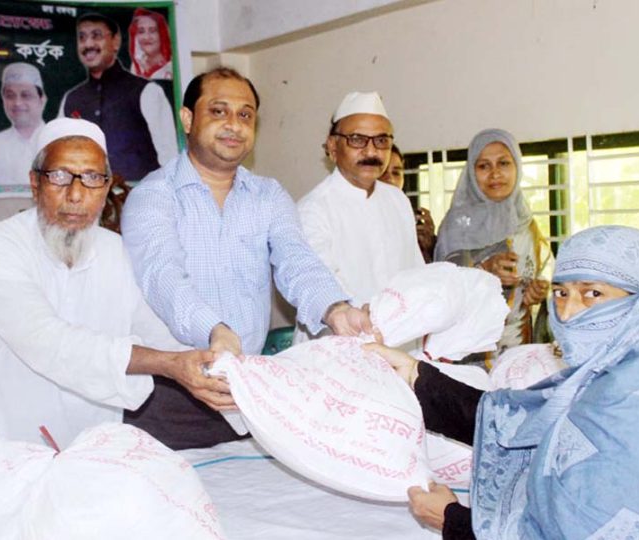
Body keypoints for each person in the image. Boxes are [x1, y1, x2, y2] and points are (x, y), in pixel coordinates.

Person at [368, 225, 639, 539]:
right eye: (561, 293)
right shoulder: (634, 370)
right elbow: (536, 419)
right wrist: (416, 376)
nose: (566, 314)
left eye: (593, 294)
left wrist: (453, 522)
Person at [120, 67, 372, 448]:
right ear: (188, 119)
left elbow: (296, 260)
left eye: (245, 115)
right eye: (218, 112)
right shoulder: (154, 196)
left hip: (246, 393)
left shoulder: (269, 196)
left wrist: (335, 310)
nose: (233, 126)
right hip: (169, 394)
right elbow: (162, 277)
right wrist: (213, 329)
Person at [0, 118, 231, 447]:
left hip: (90, 445)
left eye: (91, 178)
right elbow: (48, 341)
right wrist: (170, 365)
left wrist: (218, 364)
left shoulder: (115, 250)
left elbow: (158, 331)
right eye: (59, 176)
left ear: (106, 186)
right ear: (34, 182)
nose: (75, 194)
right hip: (3, 441)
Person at [296, 92, 423, 342]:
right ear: (332, 146)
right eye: (357, 140)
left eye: (381, 140)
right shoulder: (313, 209)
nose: (371, 151)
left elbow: (416, 274)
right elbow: (323, 287)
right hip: (338, 348)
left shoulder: (397, 200)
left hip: (400, 344)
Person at [434, 128, 549, 355]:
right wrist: (482, 268)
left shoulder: (526, 224)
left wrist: (539, 291)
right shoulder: (455, 225)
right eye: (484, 166)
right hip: (466, 352)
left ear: (517, 167)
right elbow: (438, 284)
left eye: (504, 163)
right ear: (471, 172)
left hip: (518, 349)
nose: (495, 174)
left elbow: (543, 273)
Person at [58, 13, 177, 182]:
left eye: (96, 36)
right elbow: (59, 154)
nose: (88, 44)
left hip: (140, 201)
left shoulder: (146, 91)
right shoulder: (71, 99)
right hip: (87, 201)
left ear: (115, 41)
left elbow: (169, 156)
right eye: (82, 38)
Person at [0, 63, 47, 186]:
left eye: (26, 95)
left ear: (42, 99)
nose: (17, 103)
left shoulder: (57, 141)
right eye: (10, 96)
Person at [379, 143, 437, 263]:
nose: (390, 179)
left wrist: (429, 246)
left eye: (396, 173)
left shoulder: (408, 216)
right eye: (383, 172)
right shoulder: (358, 216)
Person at [128, 8, 173, 80]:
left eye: (152, 31)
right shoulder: (136, 65)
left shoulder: (172, 65)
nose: (146, 37)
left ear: (162, 35)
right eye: (141, 31)